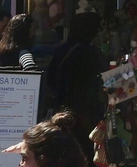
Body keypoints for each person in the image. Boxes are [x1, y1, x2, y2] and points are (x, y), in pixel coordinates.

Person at [42, 11, 108, 159]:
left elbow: (51, 80)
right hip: (87, 114)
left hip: (63, 111)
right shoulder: (93, 54)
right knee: (86, 154)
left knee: (64, 154)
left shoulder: (62, 50)